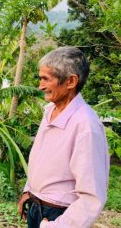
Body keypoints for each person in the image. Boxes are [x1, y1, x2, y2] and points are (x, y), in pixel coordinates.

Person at [17, 47, 109, 227]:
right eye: (40, 78)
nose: (40, 86)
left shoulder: (86, 126)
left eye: (46, 79)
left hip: (59, 215)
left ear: (70, 81)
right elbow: (42, 159)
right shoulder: (50, 111)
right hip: (38, 207)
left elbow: (92, 197)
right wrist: (29, 191)